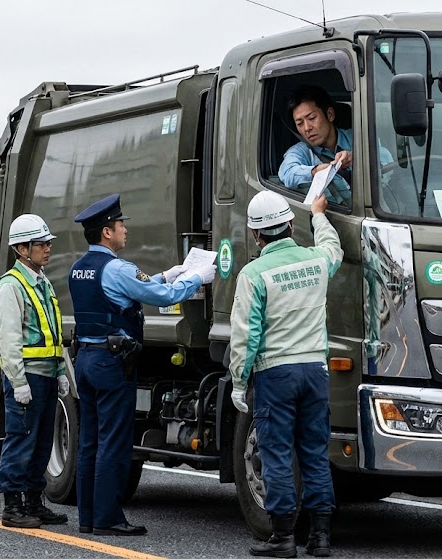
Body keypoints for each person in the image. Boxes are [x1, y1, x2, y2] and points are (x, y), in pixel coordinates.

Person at [68, 194, 215, 536]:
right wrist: (196, 278)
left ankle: (88, 518)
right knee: (114, 441)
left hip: (86, 359)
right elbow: (162, 298)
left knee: (89, 440)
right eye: (120, 225)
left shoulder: (79, 268)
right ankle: (108, 519)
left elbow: (132, 290)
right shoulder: (117, 268)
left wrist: (167, 273)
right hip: (111, 363)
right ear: (107, 232)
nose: (124, 230)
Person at [228, 190, 343, 558]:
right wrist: (319, 215)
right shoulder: (315, 261)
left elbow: (246, 335)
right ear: (291, 225)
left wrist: (239, 381)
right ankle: (321, 538)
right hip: (315, 371)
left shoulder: (253, 274)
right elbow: (333, 248)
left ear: (255, 235)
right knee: (314, 452)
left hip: (276, 374)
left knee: (276, 452)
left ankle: (283, 537)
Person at [0, 213, 70, 529]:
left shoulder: (43, 282)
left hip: (47, 375)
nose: (47, 249)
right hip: (27, 378)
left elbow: (54, 331)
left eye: (47, 243)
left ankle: (34, 503)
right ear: (23, 249)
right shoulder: (11, 286)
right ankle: (12, 507)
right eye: (41, 244)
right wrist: (17, 380)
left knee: (40, 442)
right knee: (21, 439)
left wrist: (61, 369)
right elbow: (8, 338)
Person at [278, 85, 393, 205]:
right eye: (300, 123)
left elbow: (387, 160)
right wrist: (316, 171)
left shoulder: (357, 138)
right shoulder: (301, 151)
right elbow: (287, 173)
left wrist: (357, 157)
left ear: (330, 115)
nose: (307, 128)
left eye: (311, 118)